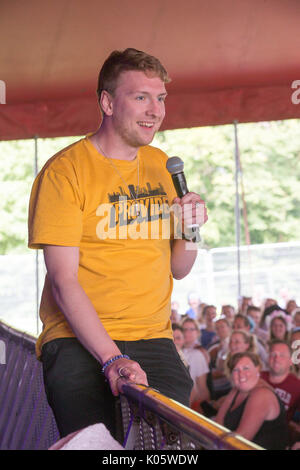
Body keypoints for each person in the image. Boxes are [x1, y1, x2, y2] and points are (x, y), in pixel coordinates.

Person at [28, 48, 208, 439]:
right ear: (108, 102)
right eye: (140, 97)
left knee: (177, 436)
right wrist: (113, 358)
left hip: (151, 333)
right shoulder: (66, 170)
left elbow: (178, 267)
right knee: (95, 441)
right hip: (76, 336)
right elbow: (63, 280)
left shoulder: (162, 165)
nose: (155, 110)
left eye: (160, 98)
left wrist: (192, 228)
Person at [215, 352, 289, 450]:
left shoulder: (262, 394)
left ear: (257, 368)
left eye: (246, 368)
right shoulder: (237, 389)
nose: (241, 374)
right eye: (236, 370)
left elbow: (241, 439)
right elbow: (218, 423)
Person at [260, 340, 300, 425]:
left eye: (282, 355)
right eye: (273, 354)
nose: (276, 359)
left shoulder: (297, 387)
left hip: (276, 434)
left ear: (291, 361)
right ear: (268, 358)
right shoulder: (257, 377)